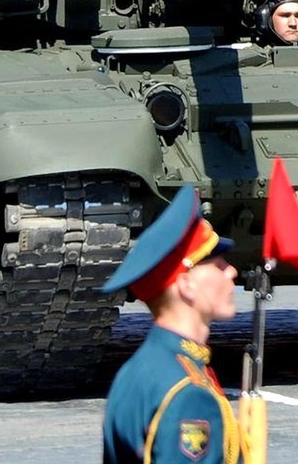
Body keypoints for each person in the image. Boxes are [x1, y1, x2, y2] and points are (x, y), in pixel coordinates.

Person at [102, 186, 246, 464]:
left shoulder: (135, 371)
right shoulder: (189, 393)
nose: (231, 271)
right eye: (217, 264)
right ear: (187, 285)